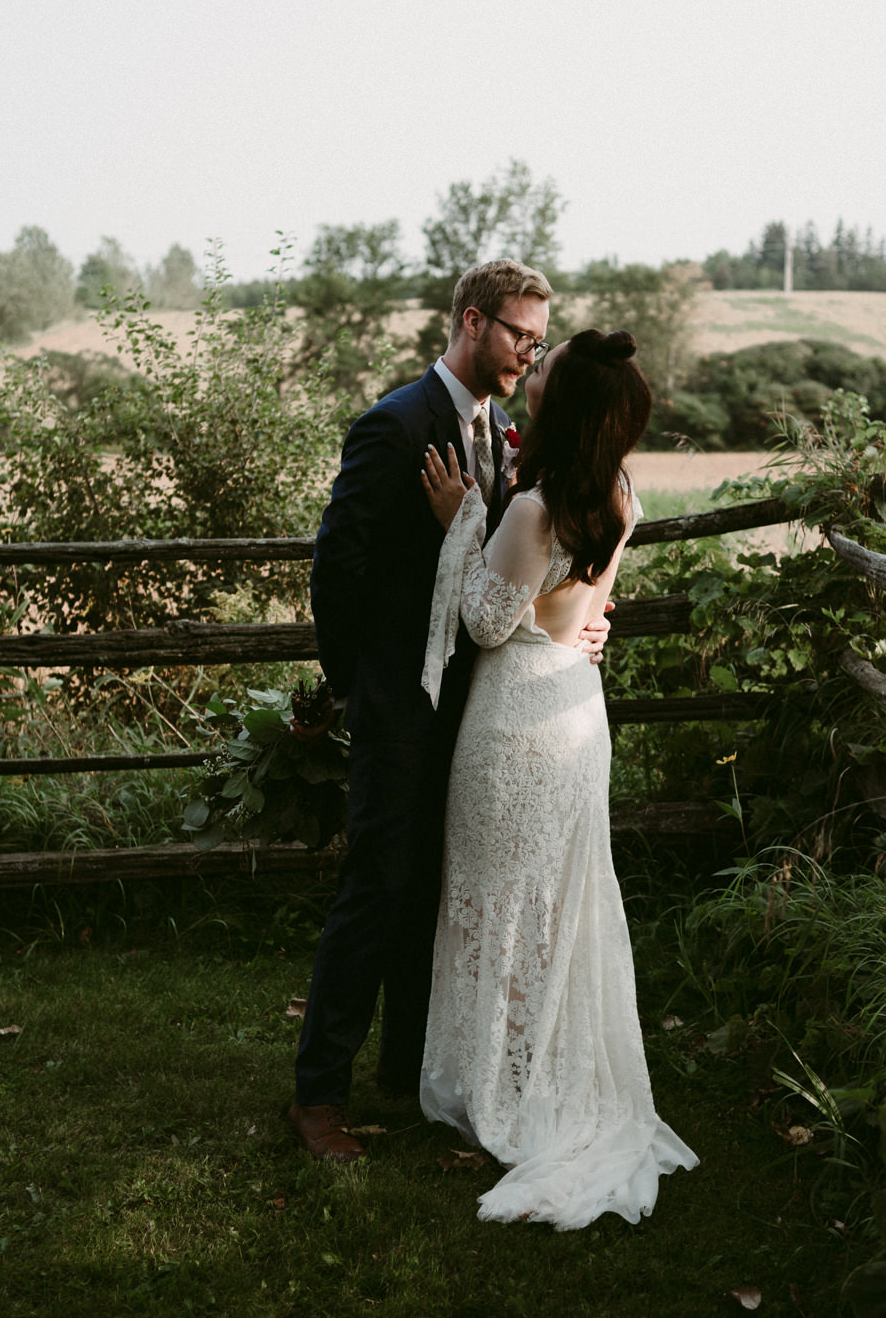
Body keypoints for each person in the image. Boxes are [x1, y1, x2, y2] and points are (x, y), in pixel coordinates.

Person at [292, 259, 611, 1162]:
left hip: (481, 710)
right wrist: (360, 689)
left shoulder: (504, 432)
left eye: (538, 340)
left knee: (435, 892)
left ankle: (408, 1071)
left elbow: (520, 568)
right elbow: (336, 568)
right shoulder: (394, 426)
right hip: (401, 705)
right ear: (473, 323)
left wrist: (584, 622)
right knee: (377, 888)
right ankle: (318, 1098)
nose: (528, 352)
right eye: (519, 334)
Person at [413, 327, 697, 1229]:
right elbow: (582, 609)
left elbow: (488, 622)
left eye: (546, 378)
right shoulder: (621, 493)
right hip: (576, 708)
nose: (529, 381)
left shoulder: (535, 508)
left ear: (562, 406)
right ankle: (537, 1066)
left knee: (500, 895)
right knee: (555, 901)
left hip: (513, 723)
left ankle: (500, 1084)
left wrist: (459, 522)